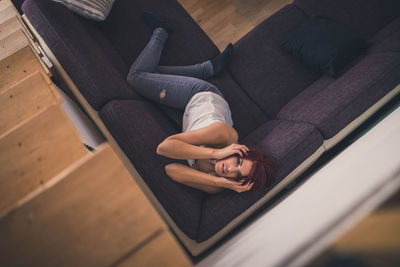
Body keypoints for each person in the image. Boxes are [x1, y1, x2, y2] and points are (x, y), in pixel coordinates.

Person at [127, 11, 276, 194]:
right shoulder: (226, 136)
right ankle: (162, 31)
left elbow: (171, 169)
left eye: (237, 176)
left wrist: (221, 183)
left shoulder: (215, 183)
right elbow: (163, 148)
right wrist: (215, 153)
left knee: (151, 73)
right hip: (199, 95)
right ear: (240, 152)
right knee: (136, 77)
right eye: (237, 162)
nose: (229, 169)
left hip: (187, 112)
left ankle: (208, 68)